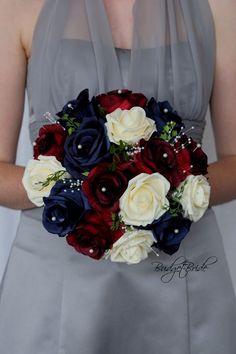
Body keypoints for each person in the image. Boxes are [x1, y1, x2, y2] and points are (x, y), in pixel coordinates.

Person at [0, 0, 236, 353]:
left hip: (182, 276)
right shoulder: (16, 7)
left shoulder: (220, 8)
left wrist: (170, 189)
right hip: (55, 280)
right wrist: (85, 192)